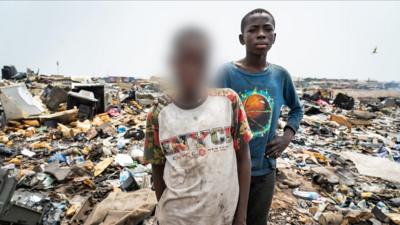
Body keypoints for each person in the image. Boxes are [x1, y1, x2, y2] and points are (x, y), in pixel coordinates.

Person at [144, 28, 253, 225]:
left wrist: (241, 216)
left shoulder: (229, 101)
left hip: (223, 215)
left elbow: (243, 159)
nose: (192, 68)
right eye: (184, 60)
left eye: (199, 61)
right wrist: (165, 213)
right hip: (177, 217)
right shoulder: (159, 113)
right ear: (173, 65)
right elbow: (157, 168)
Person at [218, 9, 304, 225]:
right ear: (241, 38)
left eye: (267, 29)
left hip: (265, 168)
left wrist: (286, 137)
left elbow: (297, 109)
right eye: (253, 29)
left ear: (274, 37)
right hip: (229, 169)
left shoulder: (280, 75)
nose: (261, 34)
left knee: (257, 220)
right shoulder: (226, 73)